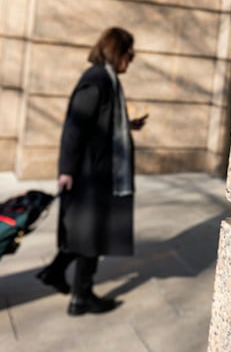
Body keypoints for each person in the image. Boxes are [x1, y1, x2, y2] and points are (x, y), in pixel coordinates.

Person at [36, 27, 147, 316]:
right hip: (90, 174)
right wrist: (67, 170)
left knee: (86, 232)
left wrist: (128, 125)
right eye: (129, 54)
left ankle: (54, 273)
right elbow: (74, 127)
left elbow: (101, 121)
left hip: (100, 171)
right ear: (116, 52)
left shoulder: (106, 80)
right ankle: (81, 298)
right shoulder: (97, 81)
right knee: (91, 236)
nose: (130, 61)